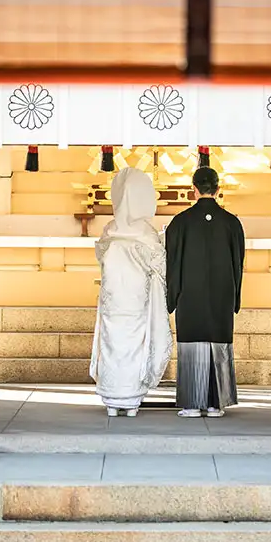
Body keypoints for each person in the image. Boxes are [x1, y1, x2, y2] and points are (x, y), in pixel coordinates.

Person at [90, 168, 172, 417]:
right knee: (136, 345)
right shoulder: (146, 233)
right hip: (138, 300)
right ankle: (132, 399)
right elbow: (160, 266)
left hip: (113, 301)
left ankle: (112, 400)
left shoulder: (110, 230)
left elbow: (103, 261)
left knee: (112, 343)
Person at [166, 167, 244, 418]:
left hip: (190, 294)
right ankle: (215, 404)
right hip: (222, 294)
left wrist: (172, 295)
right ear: (218, 190)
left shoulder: (180, 221)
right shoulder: (232, 222)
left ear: (194, 189)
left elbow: (172, 262)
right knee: (218, 343)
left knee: (192, 344)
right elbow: (238, 262)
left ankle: (191, 404)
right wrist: (235, 297)